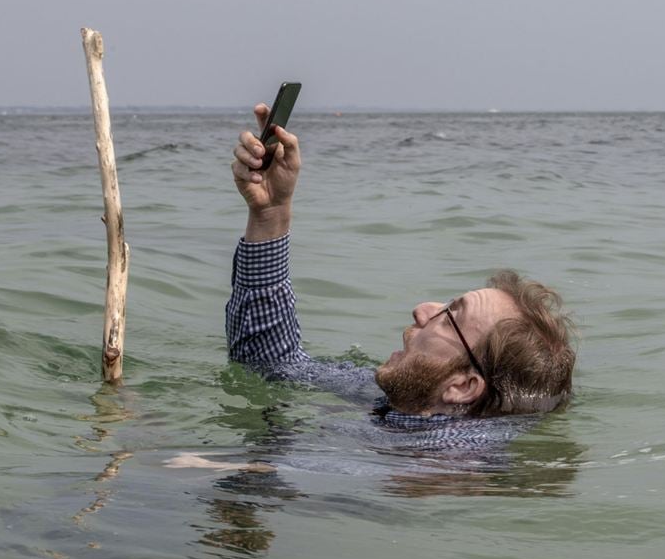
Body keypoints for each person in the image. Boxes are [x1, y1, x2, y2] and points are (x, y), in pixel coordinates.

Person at [225, 104, 576, 450]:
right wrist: (271, 213)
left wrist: (237, 472)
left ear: (463, 387)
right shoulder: (401, 393)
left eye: (450, 315)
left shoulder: (446, 459)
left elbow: (324, 480)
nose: (422, 309)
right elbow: (273, 363)